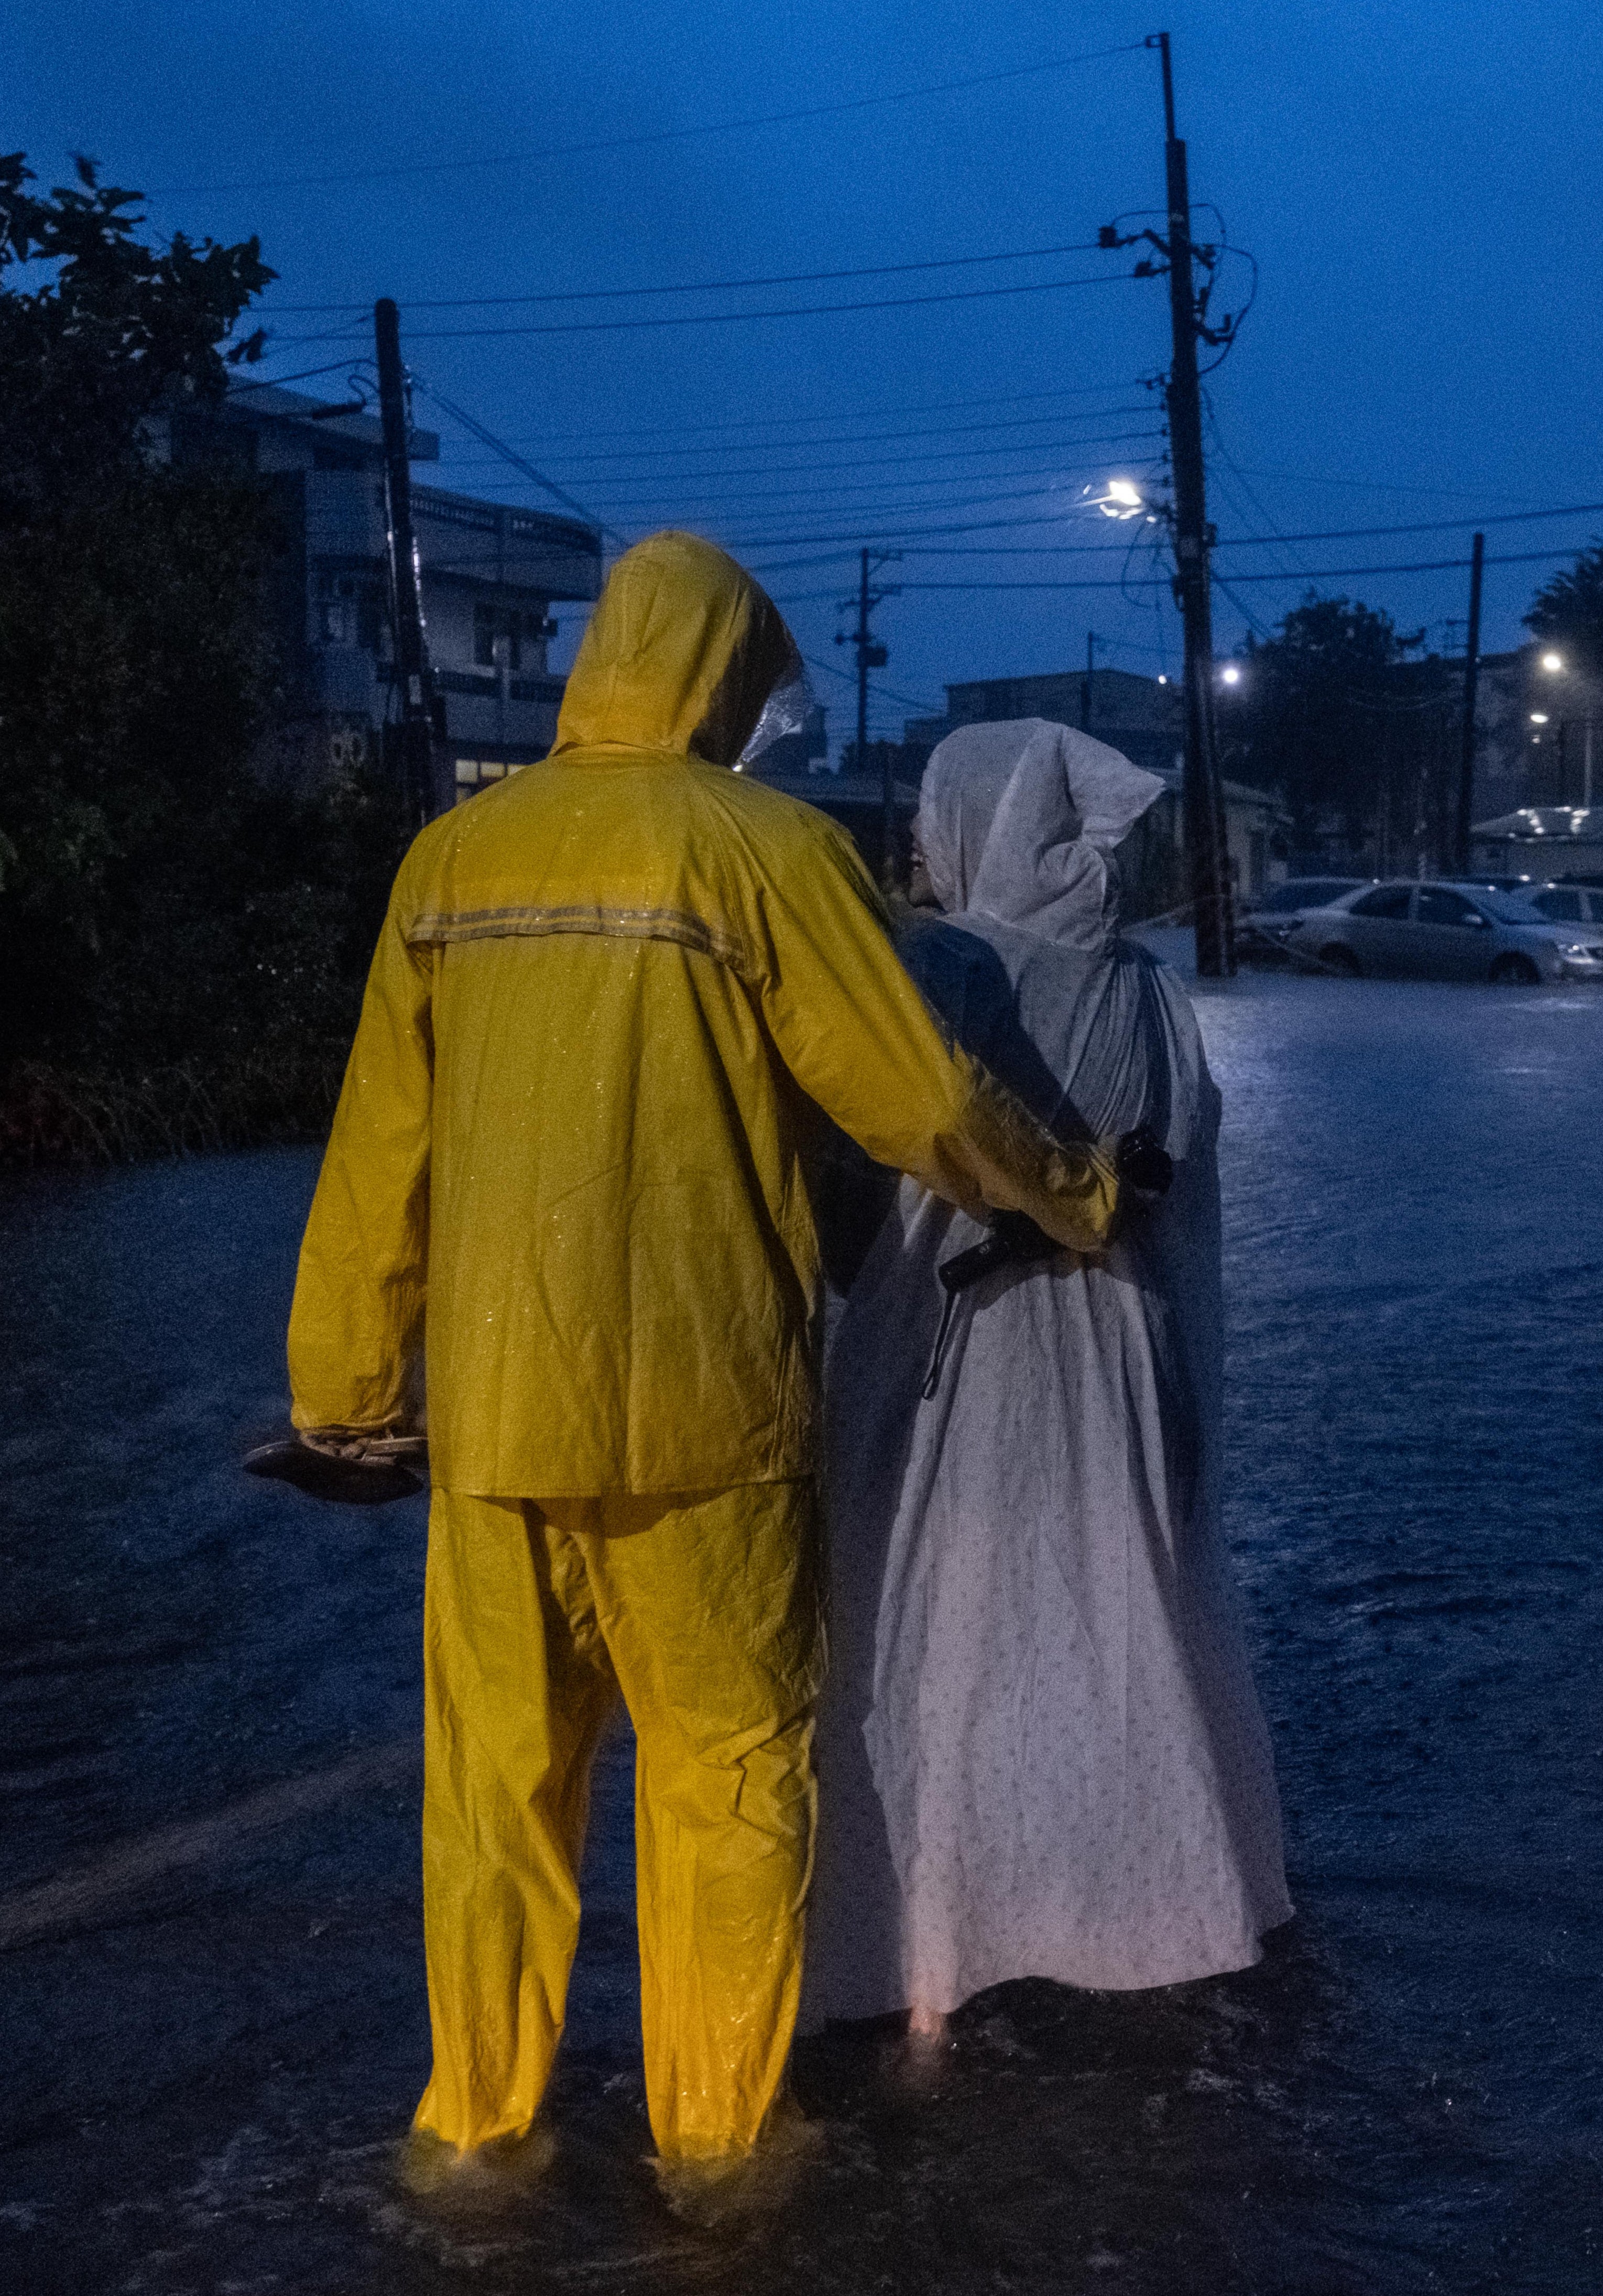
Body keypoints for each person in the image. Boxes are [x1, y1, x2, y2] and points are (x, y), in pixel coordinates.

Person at [284, 533, 1121, 2194]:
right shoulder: (767, 850)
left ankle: (471, 2141)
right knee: (730, 1781)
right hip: (709, 1415)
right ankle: (720, 2154)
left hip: (499, 1422)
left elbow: (379, 1152)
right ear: (728, 683)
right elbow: (923, 1100)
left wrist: (347, 1400)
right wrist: (1080, 1193)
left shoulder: (451, 859)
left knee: (496, 1799)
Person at [809, 719, 1289, 2042]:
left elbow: (857, 1169)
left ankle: (928, 1924)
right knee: (1110, 1608)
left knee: (931, 1619)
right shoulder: (1145, 988)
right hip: (1118, 1342)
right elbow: (1177, 1163)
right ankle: (1133, 1903)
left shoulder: (932, 968)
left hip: (945, 1343)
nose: (917, 838)